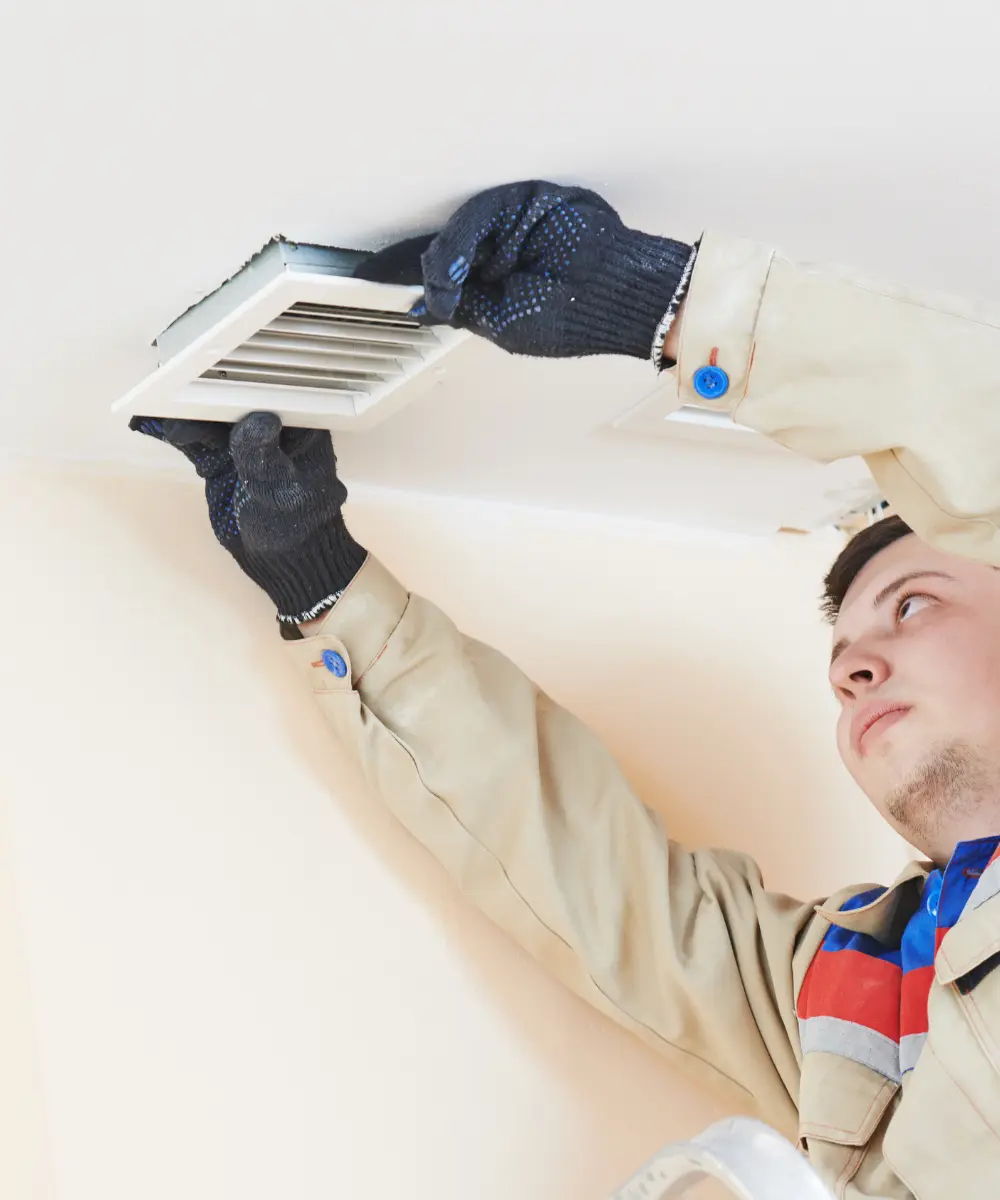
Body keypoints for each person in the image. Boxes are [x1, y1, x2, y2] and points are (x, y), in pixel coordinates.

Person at [132, 181, 1000, 1198]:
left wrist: (669, 304)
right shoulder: (870, 984)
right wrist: (324, 582)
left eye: (911, 606)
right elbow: (604, 887)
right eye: (839, 660)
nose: (850, 671)